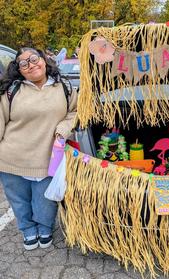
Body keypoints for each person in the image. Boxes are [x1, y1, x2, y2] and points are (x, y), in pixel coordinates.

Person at [0, 47, 77, 250]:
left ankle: (44, 227)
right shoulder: (11, 90)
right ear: (19, 70)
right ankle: (27, 229)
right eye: (24, 64)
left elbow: (75, 112)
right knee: (19, 200)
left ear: (44, 60)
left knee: (46, 199)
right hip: (11, 158)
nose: (31, 65)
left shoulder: (64, 87)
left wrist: (63, 129)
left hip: (48, 158)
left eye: (34, 59)